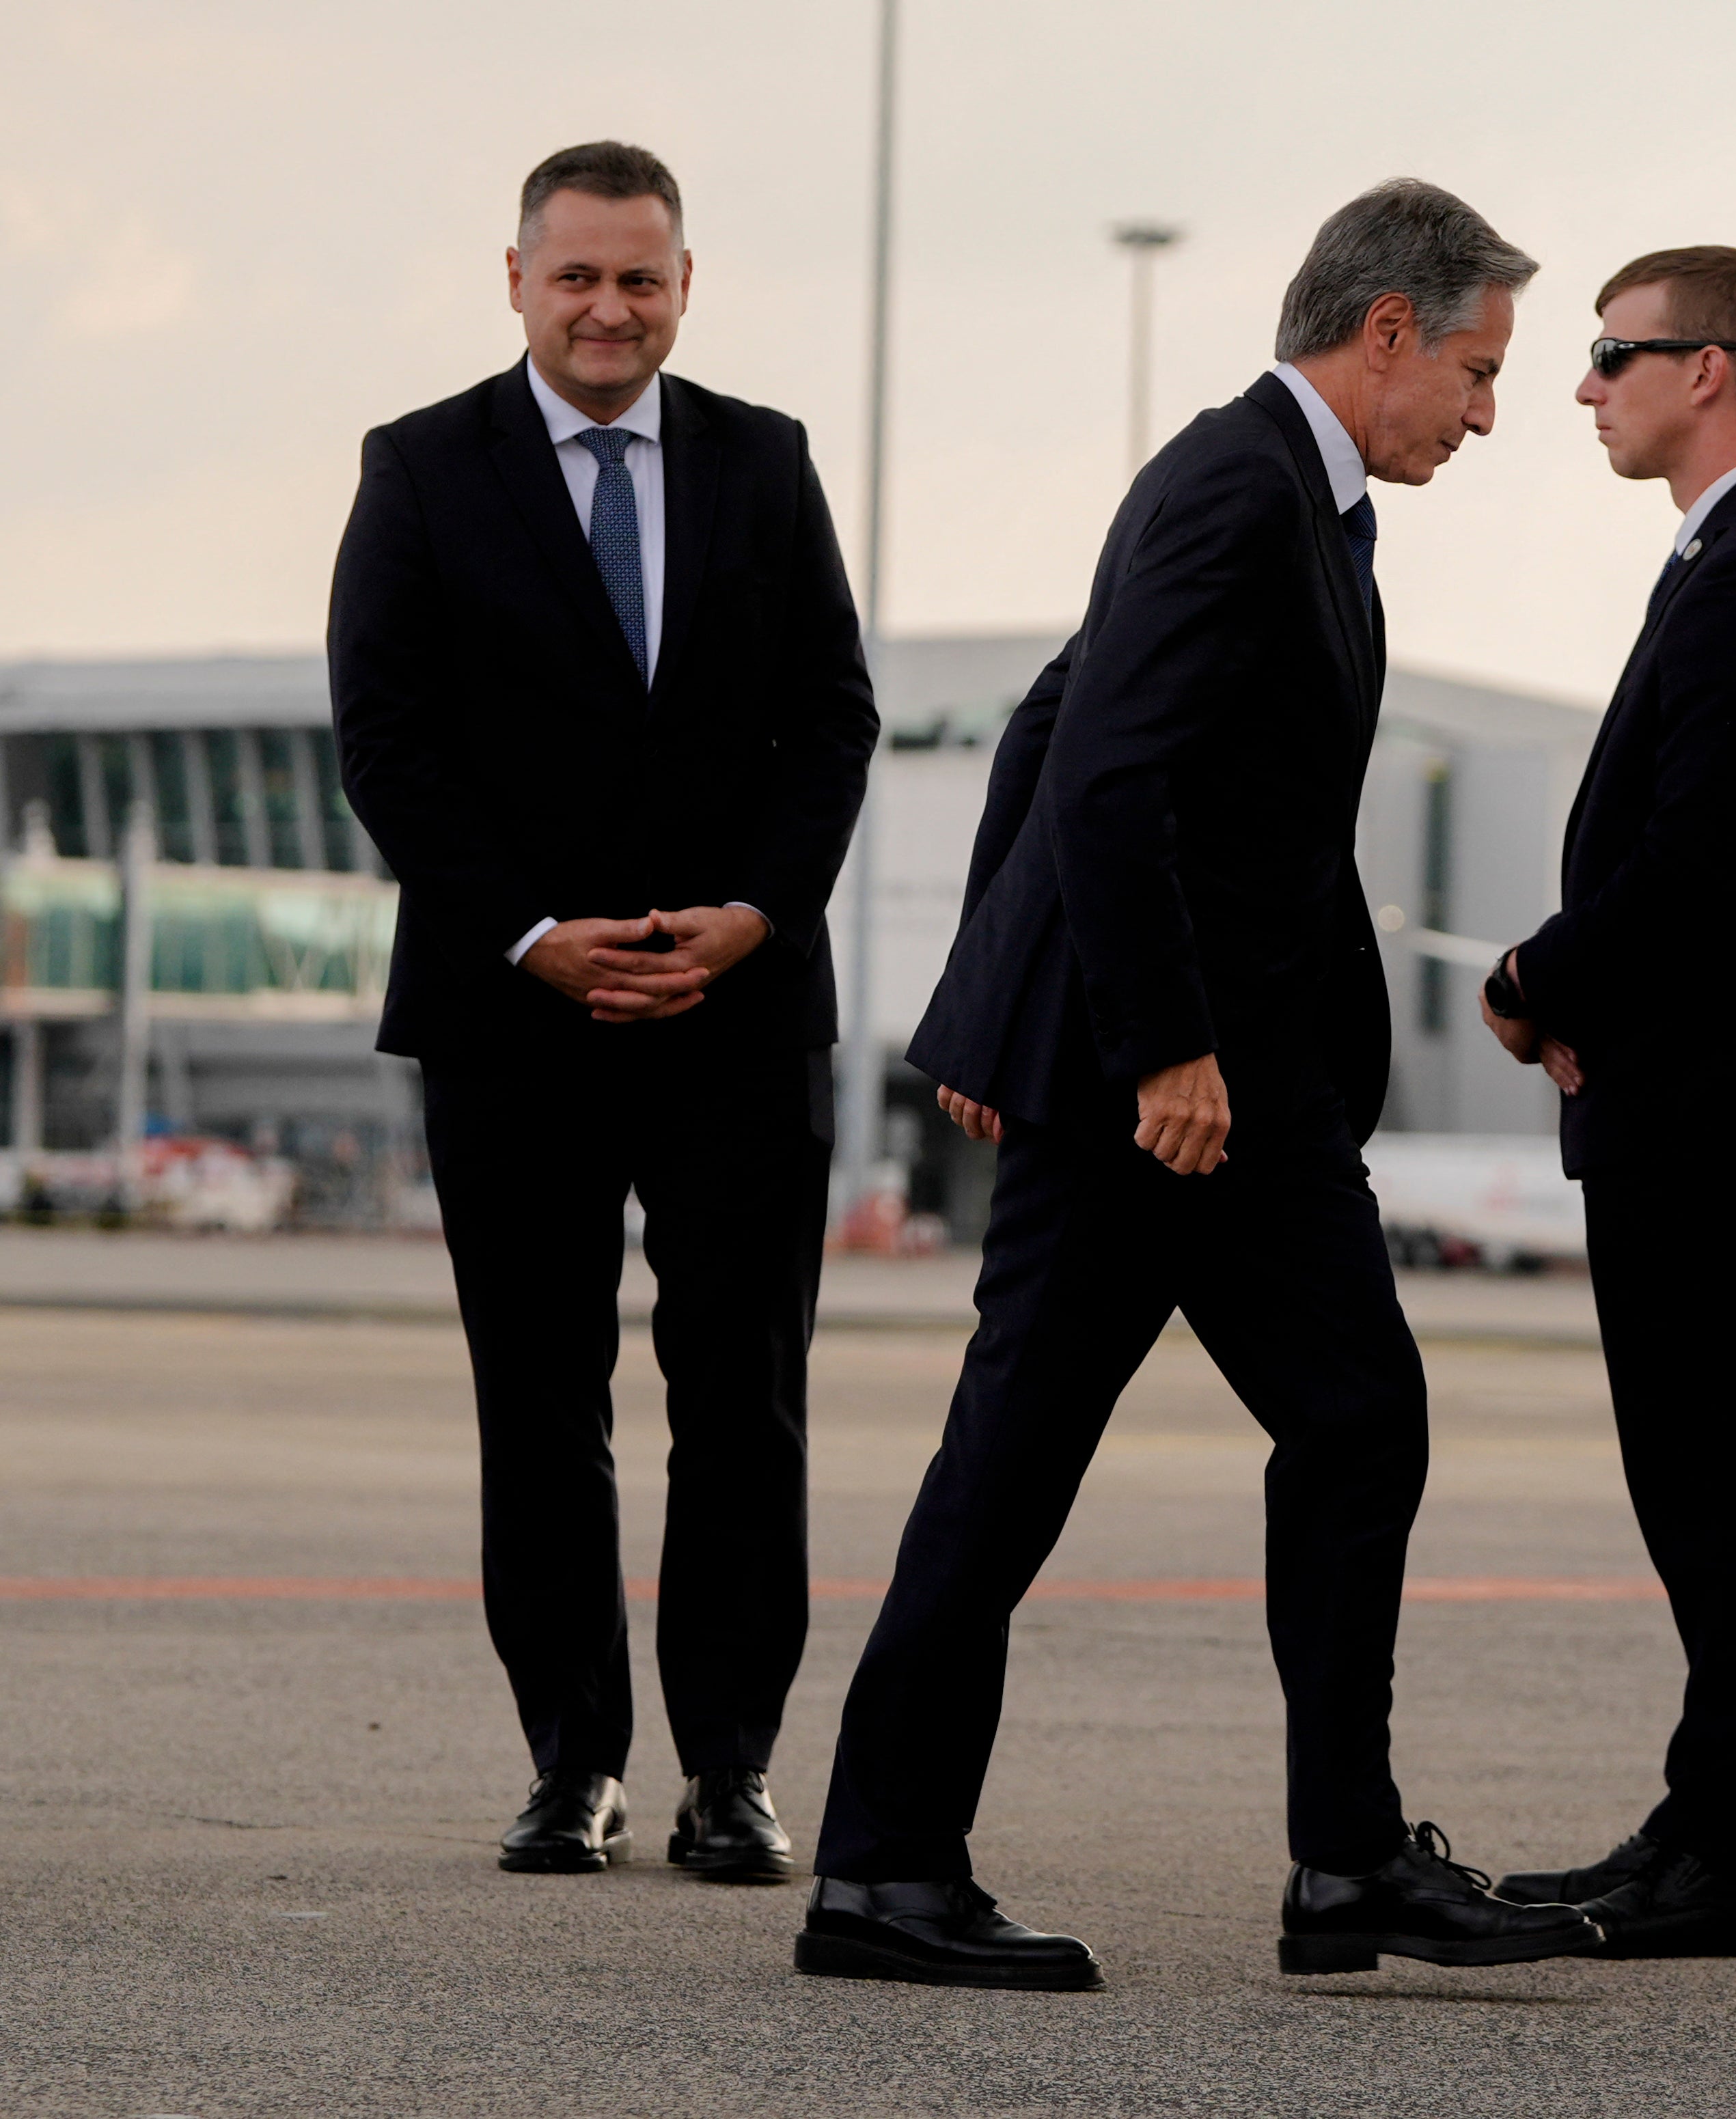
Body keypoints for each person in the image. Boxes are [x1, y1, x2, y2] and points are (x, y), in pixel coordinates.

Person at [797, 179, 1601, 1991]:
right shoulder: (1239, 486)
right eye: (1475, 370)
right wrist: (1136, 1038)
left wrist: (997, 1015)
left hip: (1227, 1092)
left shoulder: (1299, 499)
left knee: (1347, 1416)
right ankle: (885, 1872)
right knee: (1023, 1468)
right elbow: (1102, 772)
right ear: (1381, 331)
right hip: (1165, 1094)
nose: (1485, 412)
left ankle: (1343, 1860)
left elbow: (1049, 724)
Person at [327, 142, 877, 1882]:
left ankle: (732, 1771)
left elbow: (834, 723)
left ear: (684, 287)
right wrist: (532, 935)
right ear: (515, 280)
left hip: (734, 1015)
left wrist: (754, 918)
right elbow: (386, 743)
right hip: (515, 1023)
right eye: (574, 277)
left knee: (745, 1400)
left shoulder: (766, 463)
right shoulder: (418, 470)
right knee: (539, 1401)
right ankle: (574, 1764)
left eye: (639, 278)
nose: (606, 308)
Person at [1476, 248, 1736, 1956]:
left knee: (1717, 1471)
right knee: (1707, 1468)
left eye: (1607, 355)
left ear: (1706, 369)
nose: (1583, 387)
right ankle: (1708, 1822)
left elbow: (1699, 875)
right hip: (1700, 1077)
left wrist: (1530, 983)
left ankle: (1729, 1863)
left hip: (1710, 1095)